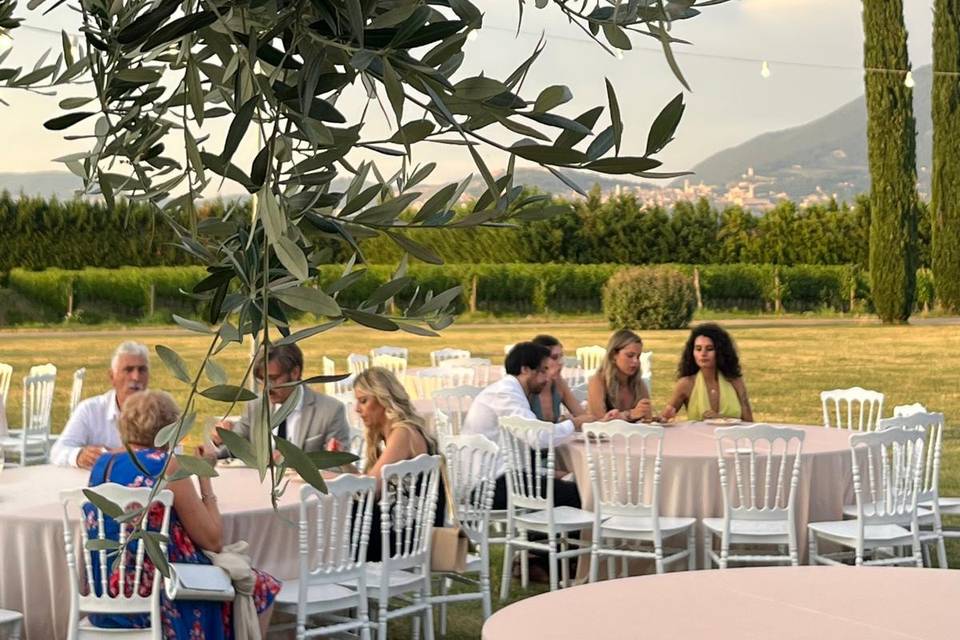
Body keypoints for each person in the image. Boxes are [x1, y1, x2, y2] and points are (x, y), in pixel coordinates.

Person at [86, 390, 280, 638]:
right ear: (170, 428)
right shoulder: (168, 466)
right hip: (164, 596)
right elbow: (212, 540)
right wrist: (205, 476)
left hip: (108, 597)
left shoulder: (103, 464)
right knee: (261, 586)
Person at [462, 342, 610, 511]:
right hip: (488, 485)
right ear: (525, 369)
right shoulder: (505, 394)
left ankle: (540, 534)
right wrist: (574, 423)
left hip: (499, 477)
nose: (548, 378)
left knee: (570, 484)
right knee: (579, 494)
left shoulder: (510, 391)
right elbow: (537, 438)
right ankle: (544, 535)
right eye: (543, 370)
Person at [346, 367, 444, 561]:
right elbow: (373, 481)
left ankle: (325, 581)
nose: (357, 409)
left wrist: (329, 478)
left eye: (364, 401)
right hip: (407, 530)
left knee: (331, 524)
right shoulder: (400, 433)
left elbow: (371, 489)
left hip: (404, 536)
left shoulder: (403, 433)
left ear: (384, 400)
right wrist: (343, 467)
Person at [214, 344, 350, 457]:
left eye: (273, 379)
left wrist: (293, 462)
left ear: (295, 373)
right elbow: (232, 450)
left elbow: (338, 466)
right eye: (262, 380)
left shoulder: (330, 411)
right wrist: (219, 441)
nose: (266, 387)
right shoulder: (255, 407)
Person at [51, 341, 149, 468]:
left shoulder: (161, 411)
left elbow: (174, 456)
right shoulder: (90, 410)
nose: (136, 377)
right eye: (128, 370)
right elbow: (58, 451)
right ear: (112, 377)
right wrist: (79, 456)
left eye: (142, 370)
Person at [661, 323, 754, 422]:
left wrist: (721, 418)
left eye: (709, 349)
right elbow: (664, 418)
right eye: (698, 349)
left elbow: (749, 423)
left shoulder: (735, 381)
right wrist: (661, 416)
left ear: (720, 351)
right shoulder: (686, 384)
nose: (703, 354)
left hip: (732, 437)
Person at [587, 329, 653, 422]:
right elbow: (598, 420)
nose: (635, 361)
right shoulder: (598, 381)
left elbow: (648, 420)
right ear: (614, 355)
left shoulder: (638, 384)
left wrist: (659, 418)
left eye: (638, 357)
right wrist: (630, 414)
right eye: (630, 355)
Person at [529, 334, 586, 424]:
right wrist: (570, 423)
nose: (560, 362)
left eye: (561, 357)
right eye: (554, 357)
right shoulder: (529, 387)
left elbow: (582, 415)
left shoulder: (559, 383)